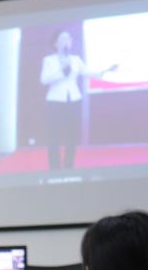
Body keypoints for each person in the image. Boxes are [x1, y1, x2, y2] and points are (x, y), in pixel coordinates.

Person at [40, 30, 117, 169]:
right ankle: (54, 169)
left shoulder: (75, 59)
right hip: (55, 101)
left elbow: (88, 72)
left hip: (74, 100)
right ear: (56, 43)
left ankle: (69, 167)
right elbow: (44, 80)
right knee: (54, 137)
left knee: (71, 136)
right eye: (63, 38)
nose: (67, 41)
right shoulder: (49, 60)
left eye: (69, 38)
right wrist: (61, 69)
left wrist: (106, 70)